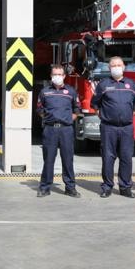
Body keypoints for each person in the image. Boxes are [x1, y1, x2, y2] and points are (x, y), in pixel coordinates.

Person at [90, 56, 135, 198]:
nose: (116, 67)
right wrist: (102, 115)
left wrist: (128, 114)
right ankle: (107, 186)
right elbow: (95, 103)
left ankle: (125, 187)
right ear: (109, 68)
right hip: (108, 128)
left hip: (126, 128)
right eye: (113, 65)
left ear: (124, 67)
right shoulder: (103, 84)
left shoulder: (131, 84)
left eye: (119, 65)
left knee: (126, 158)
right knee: (108, 158)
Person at [36, 64, 82, 198]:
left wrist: (67, 120)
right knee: (48, 160)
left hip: (66, 130)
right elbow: (39, 110)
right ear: (51, 76)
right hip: (50, 130)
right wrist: (51, 119)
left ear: (64, 76)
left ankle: (70, 187)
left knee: (68, 160)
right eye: (54, 74)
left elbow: (76, 110)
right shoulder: (45, 92)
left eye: (59, 74)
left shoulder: (71, 91)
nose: (57, 77)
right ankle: (45, 187)